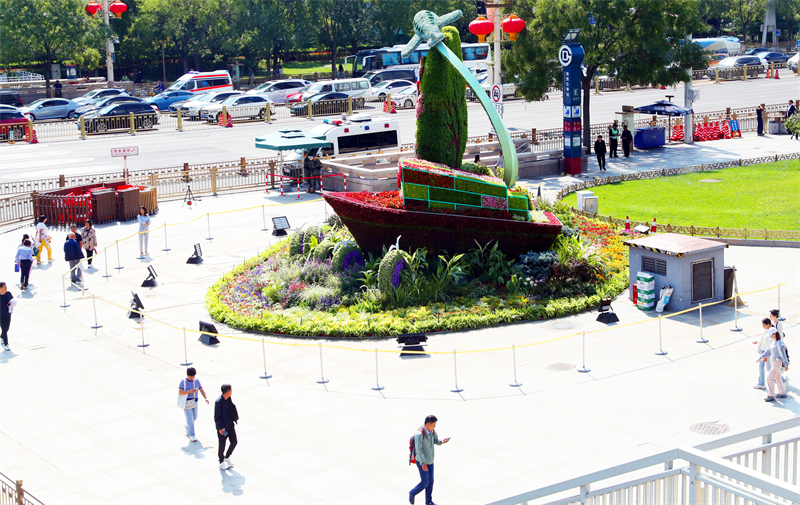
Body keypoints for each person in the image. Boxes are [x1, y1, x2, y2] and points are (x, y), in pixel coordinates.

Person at [409, 414, 449, 505]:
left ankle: (428, 501)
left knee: (430, 482)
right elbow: (419, 449)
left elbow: (435, 440)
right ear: (428, 424)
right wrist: (423, 463)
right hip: (423, 462)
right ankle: (412, 492)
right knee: (425, 483)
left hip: (430, 461)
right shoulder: (419, 434)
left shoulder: (432, 431)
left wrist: (442, 441)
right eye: (434, 424)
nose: (435, 426)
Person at [758, 327, 789, 401]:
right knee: (777, 378)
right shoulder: (773, 341)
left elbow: (783, 354)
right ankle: (782, 393)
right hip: (774, 362)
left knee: (769, 378)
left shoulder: (780, 343)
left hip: (777, 363)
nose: (770, 336)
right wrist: (761, 357)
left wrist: (786, 364)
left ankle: (771, 395)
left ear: (774, 333)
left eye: (771, 335)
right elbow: (768, 350)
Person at [179, 367, 209, 443]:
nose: (192, 378)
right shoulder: (183, 382)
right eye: (191, 376)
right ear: (187, 375)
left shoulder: (196, 381)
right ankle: (192, 435)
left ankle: (187, 426)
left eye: (193, 376)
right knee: (190, 419)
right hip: (187, 403)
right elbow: (180, 392)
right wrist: (190, 391)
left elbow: (201, 389)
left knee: (195, 416)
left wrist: (205, 397)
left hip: (195, 402)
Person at [214, 384, 239, 470]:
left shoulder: (228, 399)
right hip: (223, 428)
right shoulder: (218, 402)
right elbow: (217, 417)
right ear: (227, 392)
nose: (231, 392)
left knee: (234, 442)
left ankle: (227, 456)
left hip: (230, 425)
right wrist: (220, 428)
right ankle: (221, 462)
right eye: (231, 390)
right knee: (222, 445)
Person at [753, 318, 774, 389]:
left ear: (768, 325)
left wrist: (766, 356)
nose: (763, 326)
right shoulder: (766, 331)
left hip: (766, 352)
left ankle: (782, 379)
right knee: (761, 367)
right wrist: (757, 341)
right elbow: (762, 339)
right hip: (763, 351)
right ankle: (761, 383)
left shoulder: (770, 332)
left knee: (769, 368)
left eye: (764, 325)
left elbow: (769, 345)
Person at [769, 309, 788, 385]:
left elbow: (780, 335)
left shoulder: (778, 324)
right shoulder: (773, 323)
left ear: (775, 316)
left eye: (771, 315)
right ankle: (780, 378)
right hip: (774, 346)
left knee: (778, 362)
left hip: (778, 347)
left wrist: (777, 344)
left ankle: (782, 379)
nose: (770, 316)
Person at [0, 282, 15, 352]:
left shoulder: (8, 293)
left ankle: (1, 336)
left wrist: (11, 303)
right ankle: (6, 344)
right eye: (4, 287)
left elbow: (12, 300)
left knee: (7, 328)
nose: (6, 288)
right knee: (4, 329)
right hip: (1, 316)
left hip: (8, 314)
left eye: (6, 286)